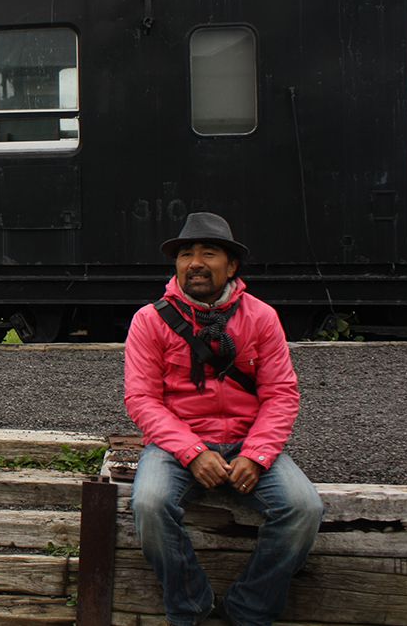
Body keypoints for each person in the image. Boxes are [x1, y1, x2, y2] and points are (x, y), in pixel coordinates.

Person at [124, 212, 323, 626]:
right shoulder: (149, 320)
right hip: (177, 447)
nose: (194, 262)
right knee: (149, 503)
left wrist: (257, 454)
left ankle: (250, 609)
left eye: (208, 253)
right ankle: (190, 607)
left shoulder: (262, 317)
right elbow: (142, 399)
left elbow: (281, 394)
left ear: (231, 266)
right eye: (185, 254)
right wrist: (193, 451)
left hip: (246, 443)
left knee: (304, 509)